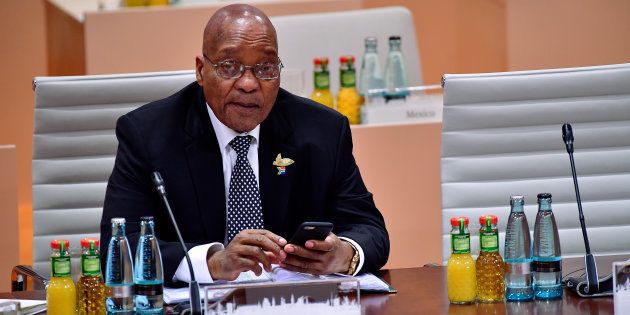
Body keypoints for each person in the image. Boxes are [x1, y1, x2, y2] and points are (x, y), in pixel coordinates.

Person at [100, 4, 389, 286]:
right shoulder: (148, 135)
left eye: (265, 68)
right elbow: (119, 247)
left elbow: (370, 230)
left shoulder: (322, 131)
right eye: (229, 67)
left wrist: (345, 254)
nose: (249, 84)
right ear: (201, 70)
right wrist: (212, 262)